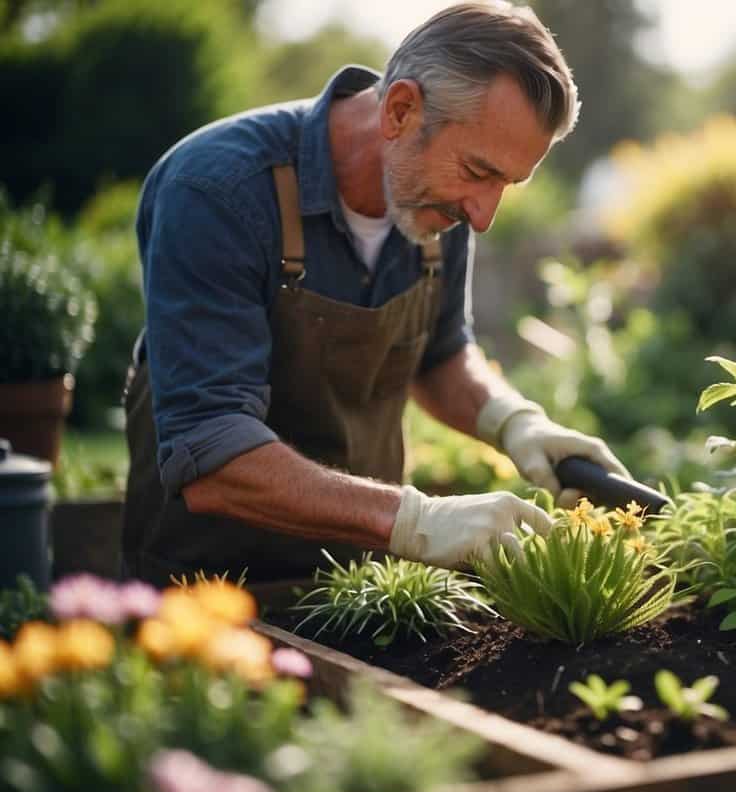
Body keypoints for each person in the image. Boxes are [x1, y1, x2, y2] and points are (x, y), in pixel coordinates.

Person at [121, 2, 629, 585]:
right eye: (478, 171)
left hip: (360, 587)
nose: (484, 215)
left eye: (507, 184)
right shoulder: (217, 190)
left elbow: (439, 355)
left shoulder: (438, 204)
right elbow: (211, 453)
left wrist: (515, 421)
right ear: (401, 110)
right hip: (209, 594)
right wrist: (416, 519)